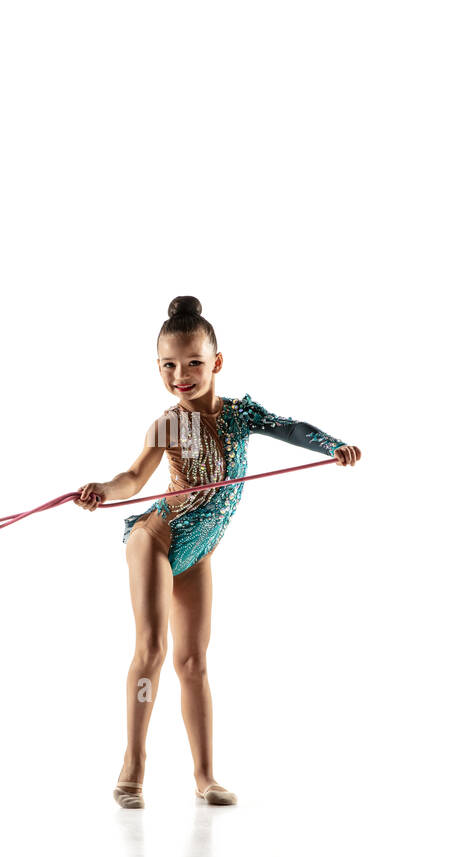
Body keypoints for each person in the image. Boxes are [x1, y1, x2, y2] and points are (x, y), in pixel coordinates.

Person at [75, 296, 360, 808]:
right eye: (168, 365)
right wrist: (102, 488)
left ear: (216, 363)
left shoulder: (240, 416)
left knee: (193, 661)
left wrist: (332, 445)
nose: (180, 375)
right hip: (156, 540)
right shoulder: (167, 424)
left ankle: (205, 776)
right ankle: (133, 765)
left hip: (199, 550)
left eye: (192, 364)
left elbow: (292, 428)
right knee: (154, 650)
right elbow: (134, 477)